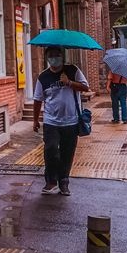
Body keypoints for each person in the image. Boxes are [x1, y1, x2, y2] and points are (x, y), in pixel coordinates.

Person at [32, 46, 90, 196]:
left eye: (56, 55)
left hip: (71, 121)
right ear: (47, 58)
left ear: (62, 57)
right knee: (51, 150)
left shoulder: (73, 70)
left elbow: (85, 87)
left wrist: (69, 82)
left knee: (67, 153)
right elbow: (38, 99)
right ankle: (51, 182)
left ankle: (64, 181)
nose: (54, 58)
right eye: (50, 56)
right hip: (51, 121)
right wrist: (35, 120)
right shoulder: (43, 77)